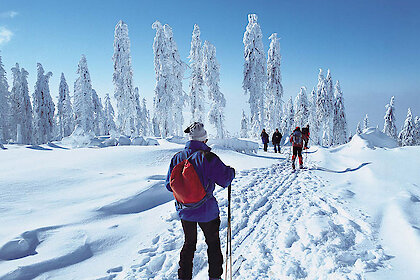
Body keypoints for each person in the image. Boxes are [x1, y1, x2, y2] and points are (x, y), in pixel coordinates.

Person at [165, 122, 235, 280]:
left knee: (189, 244)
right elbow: (225, 180)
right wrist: (231, 172)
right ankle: (215, 277)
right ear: (204, 140)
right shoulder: (208, 157)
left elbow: (169, 186)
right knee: (212, 243)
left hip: (185, 211)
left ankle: (184, 277)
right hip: (207, 211)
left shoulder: (177, 158)